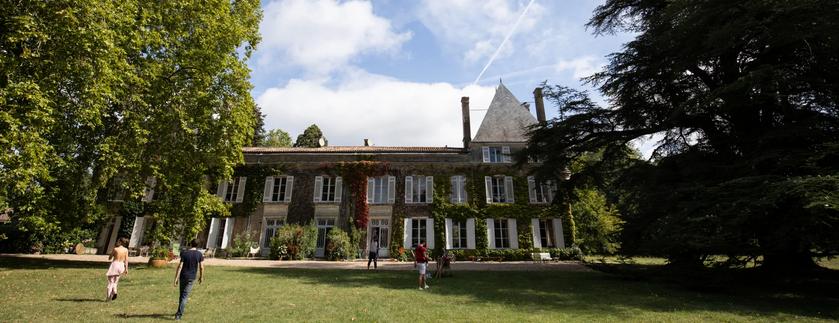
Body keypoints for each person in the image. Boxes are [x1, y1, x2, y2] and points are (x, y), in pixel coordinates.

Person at [174, 239, 204, 320]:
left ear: (190, 244)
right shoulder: (199, 254)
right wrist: (201, 277)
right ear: (197, 245)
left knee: (182, 295)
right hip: (191, 278)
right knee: (184, 296)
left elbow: (180, 266)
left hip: (183, 276)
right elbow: (201, 267)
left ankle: (178, 312)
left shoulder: (184, 253)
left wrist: (176, 278)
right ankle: (179, 314)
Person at [105, 237, 129, 302]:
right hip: (121, 265)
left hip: (115, 264)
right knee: (115, 281)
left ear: (120, 242)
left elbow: (109, 258)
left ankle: (108, 298)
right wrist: (126, 268)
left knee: (110, 282)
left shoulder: (115, 249)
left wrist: (112, 253)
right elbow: (126, 260)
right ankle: (114, 292)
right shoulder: (126, 250)